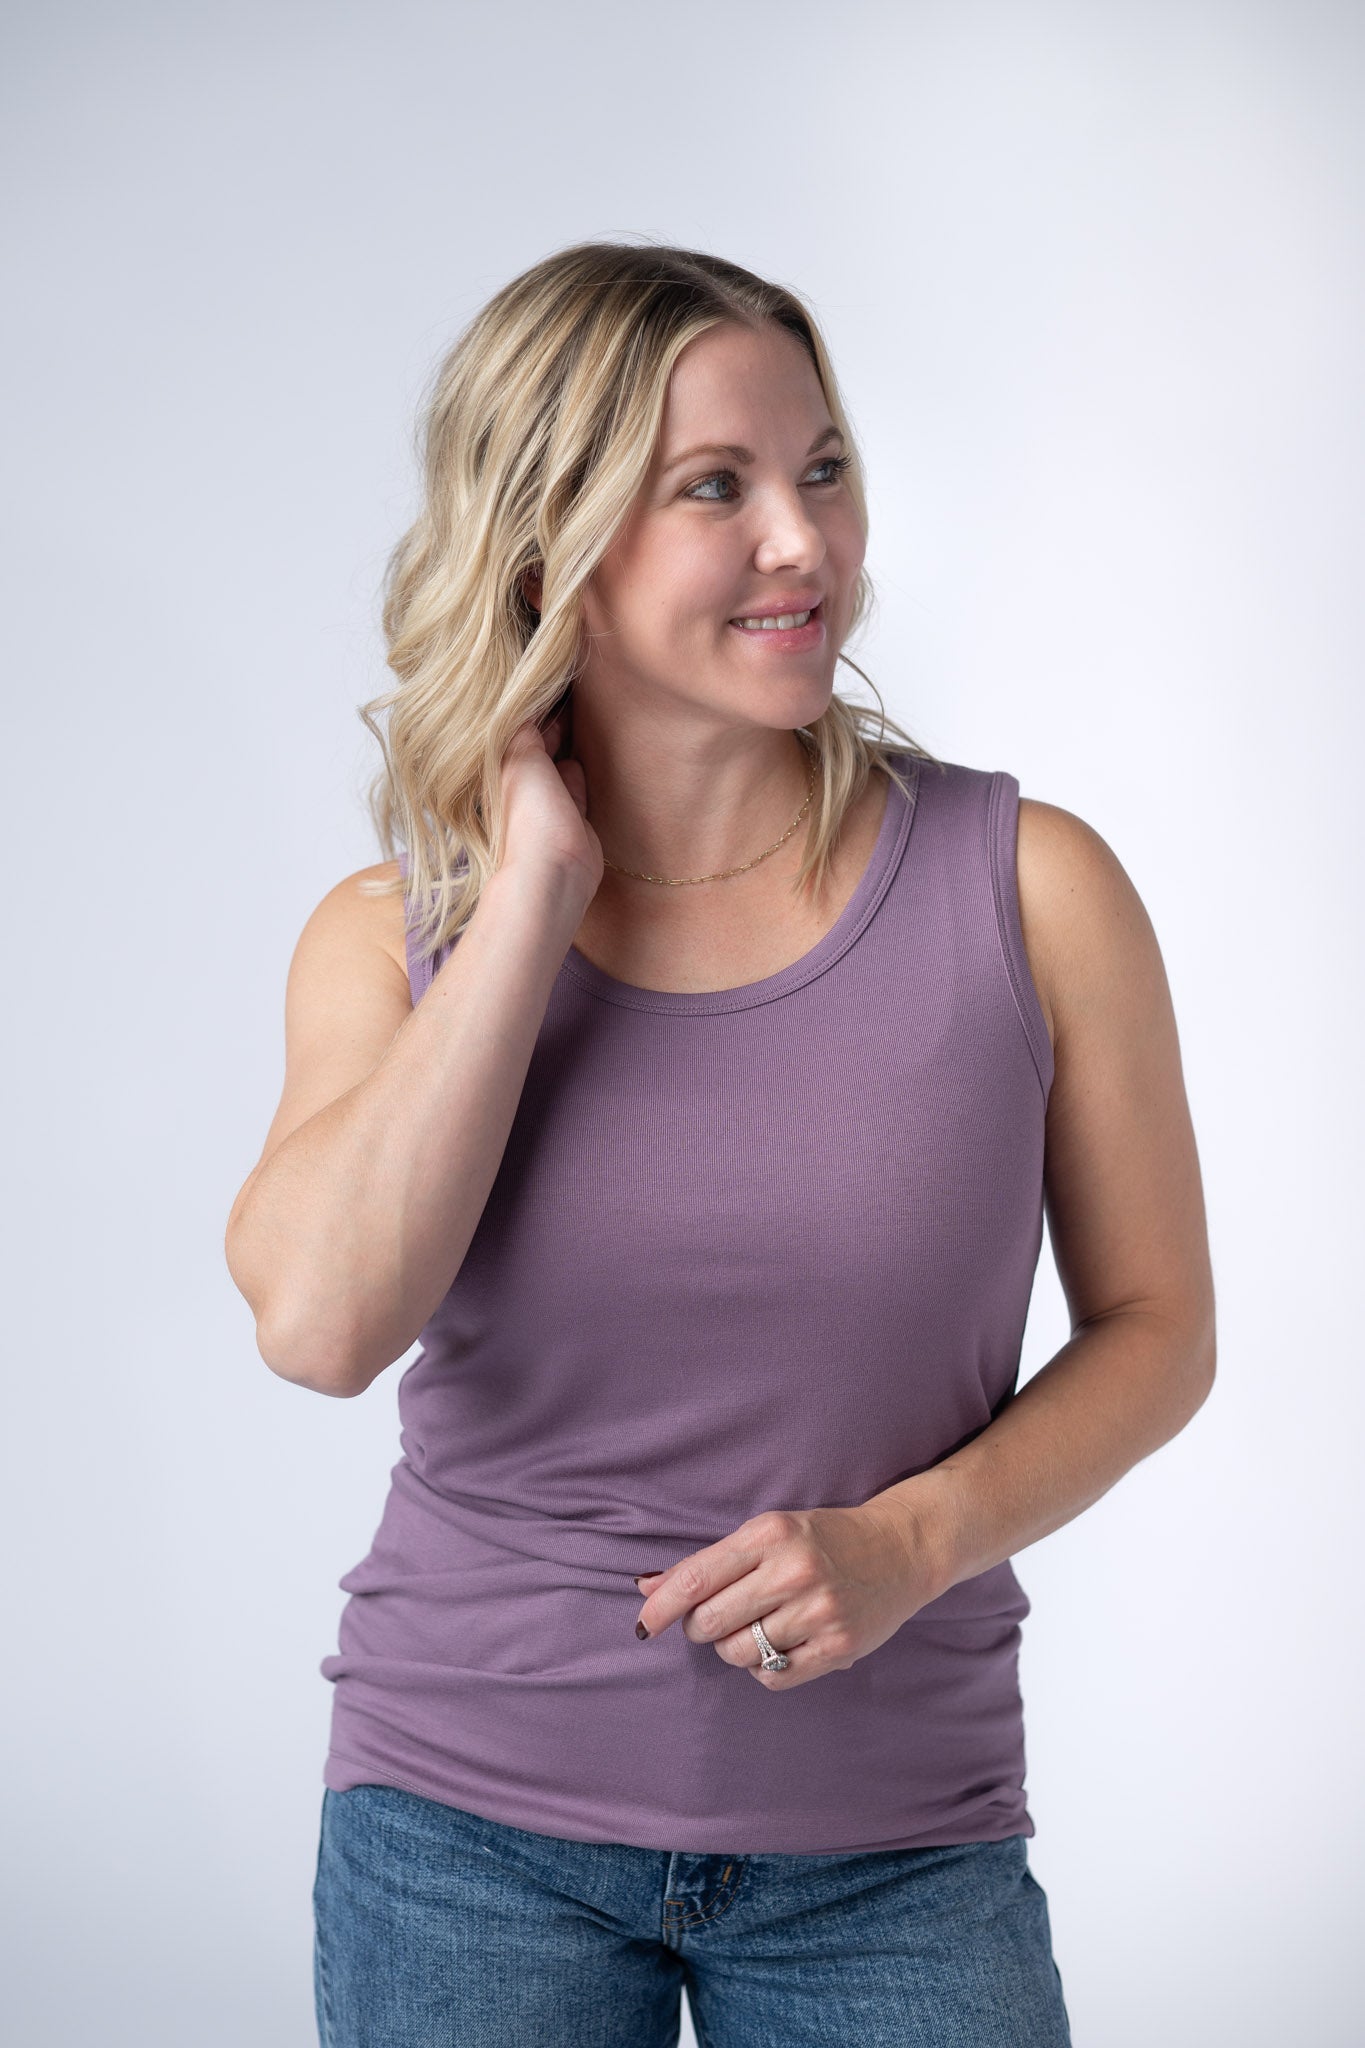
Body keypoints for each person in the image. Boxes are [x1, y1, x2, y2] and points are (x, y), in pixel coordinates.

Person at [224, 239, 1215, 2047]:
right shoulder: (395, 936)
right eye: (716, 489)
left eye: (820, 469)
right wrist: (531, 887)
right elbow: (317, 1328)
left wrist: (913, 1543)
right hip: (464, 1829)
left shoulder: (1029, 886)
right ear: (551, 548)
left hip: (897, 1852)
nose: (804, 542)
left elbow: (1158, 1329)